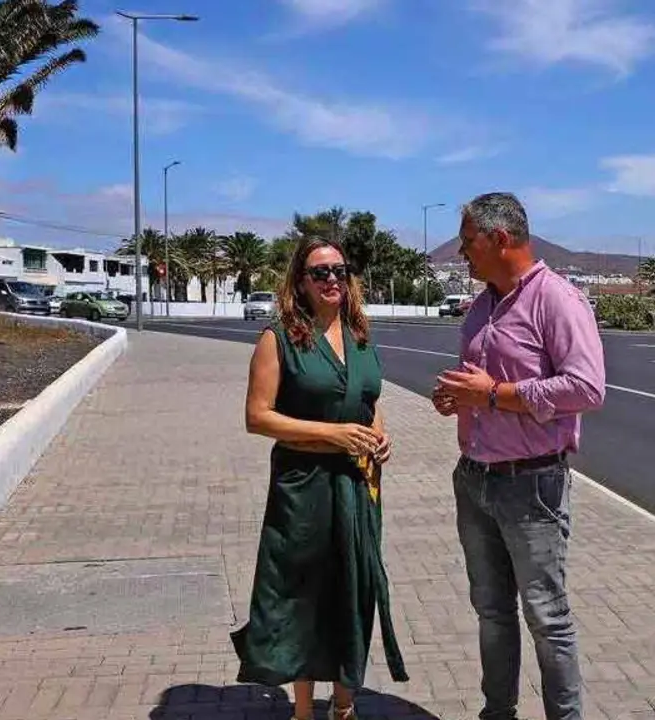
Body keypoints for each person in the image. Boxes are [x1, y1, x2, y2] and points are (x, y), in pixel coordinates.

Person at [432, 192, 605, 720]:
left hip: (532, 486)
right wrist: (457, 398)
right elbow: (480, 385)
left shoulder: (557, 300)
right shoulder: (482, 305)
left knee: (547, 616)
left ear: (500, 239)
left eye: (468, 243)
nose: (462, 254)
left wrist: (491, 394)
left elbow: (586, 388)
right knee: (491, 613)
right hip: (475, 479)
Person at [233, 237, 408, 720]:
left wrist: (379, 435)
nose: (332, 279)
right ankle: (304, 711)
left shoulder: (361, 335)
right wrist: (332, 434)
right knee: (303, 592)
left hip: (357, 485)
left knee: (354, 588)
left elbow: (369, 401)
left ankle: (345, 704)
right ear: (300, 282)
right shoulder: (279, 338)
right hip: (303, 486)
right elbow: (258, 417)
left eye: (339, 270)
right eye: (320, 272)